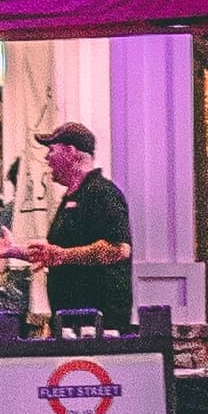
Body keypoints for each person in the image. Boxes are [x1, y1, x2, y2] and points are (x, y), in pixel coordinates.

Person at [35, 119, 136, 328]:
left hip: (99, 319)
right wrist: (15, 252)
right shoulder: (71, 197)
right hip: (69, 316)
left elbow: (119, 249)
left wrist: (63, 256)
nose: (47, 158)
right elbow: (58, 252)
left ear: (70, 152)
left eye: (51, 150)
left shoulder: (103, 193)